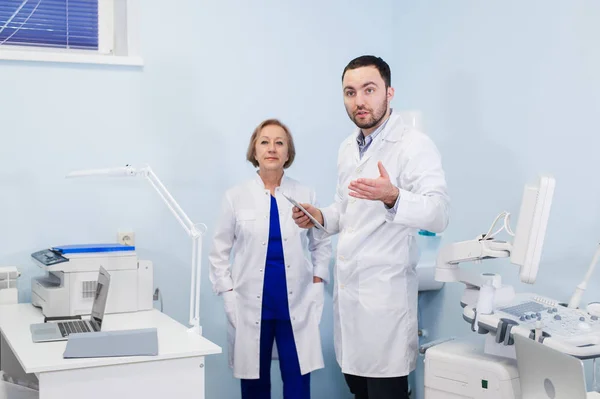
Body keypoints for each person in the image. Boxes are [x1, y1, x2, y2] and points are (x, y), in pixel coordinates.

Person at [292, 55, 450, 399]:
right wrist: (317, 215)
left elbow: (439, 213)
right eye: (350, 92)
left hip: (384, 303)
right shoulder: (347, 148)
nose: (359, 101)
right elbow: (346, 213)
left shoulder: (414, 145)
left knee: (386, 392)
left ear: (389, 93)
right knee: (358, 391)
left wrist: (394, 196)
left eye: (369, 89)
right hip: (351, 304)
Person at [209, 118, 332, 399]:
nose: (272, 148)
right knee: (254, 386)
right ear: (254, 150)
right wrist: (227, 294)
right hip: (250, 305)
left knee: (298, 383)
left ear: (288, 153)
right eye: (264, 142)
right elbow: (218, 253)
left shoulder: (305, 194)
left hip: (296, 305)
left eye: (280, 143)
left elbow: (322, 243)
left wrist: (316, 283)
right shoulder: (235, 197)